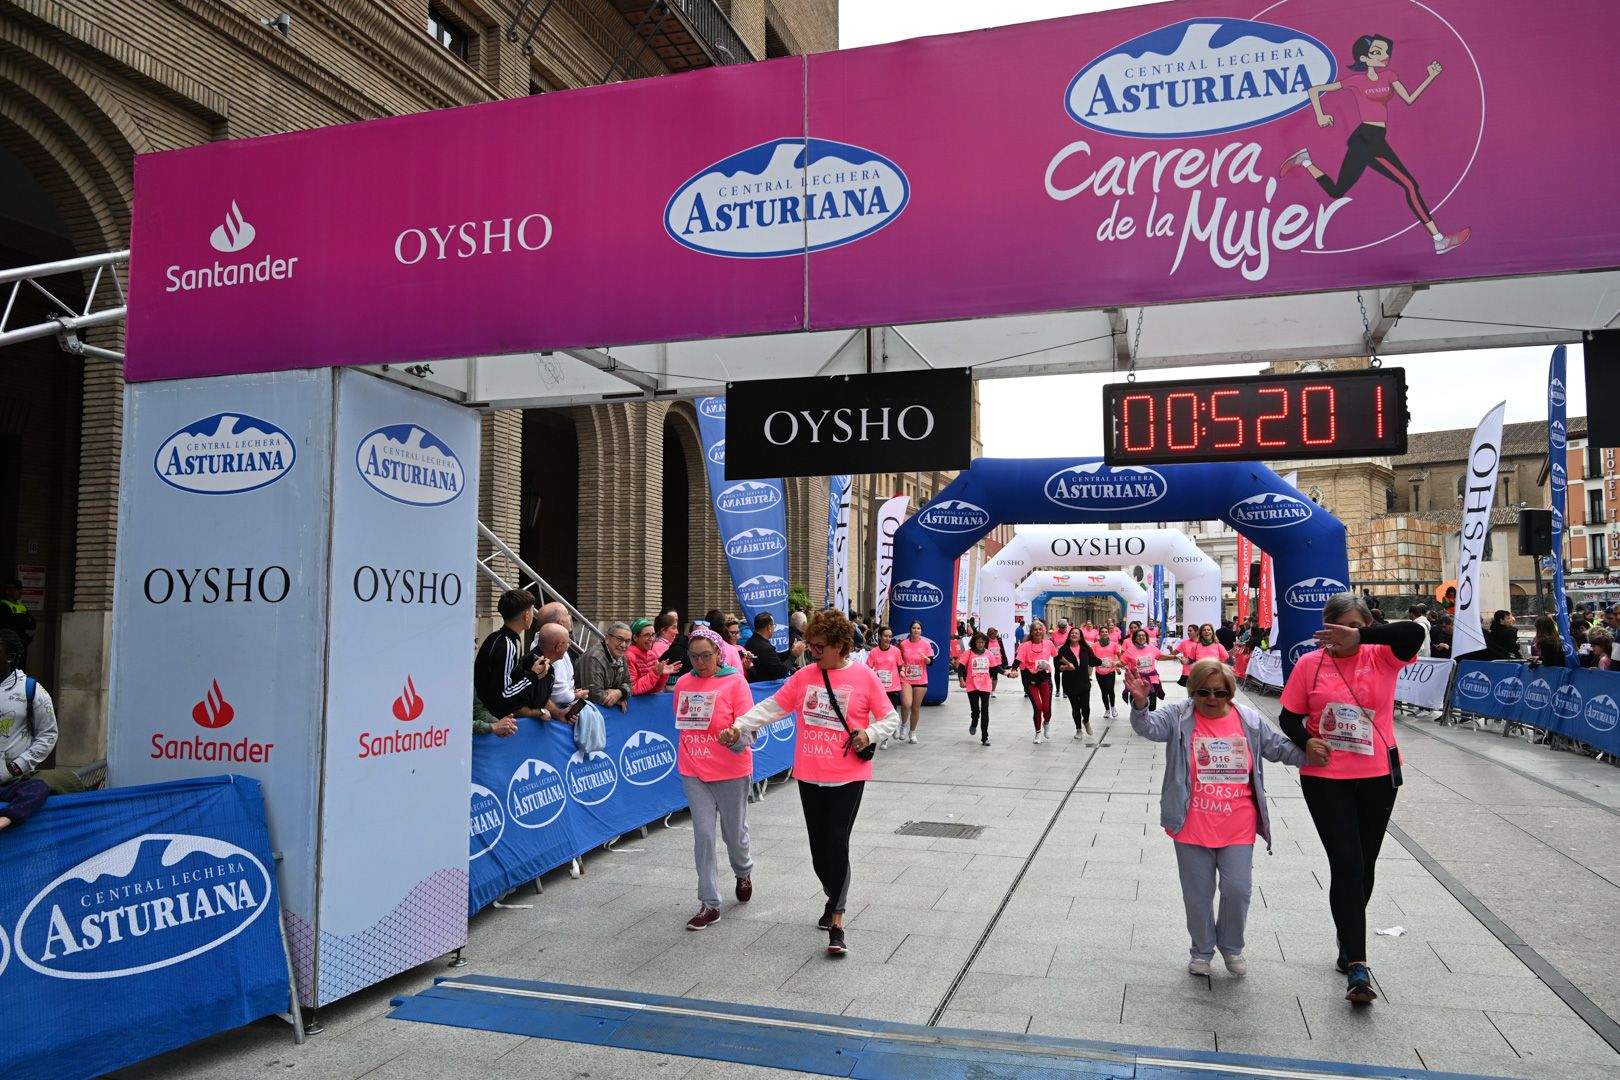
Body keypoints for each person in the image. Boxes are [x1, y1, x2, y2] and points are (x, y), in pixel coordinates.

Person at [718, 610, 900, 956]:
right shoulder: (805, 677)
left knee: (837, 843)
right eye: (812, 645)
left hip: (847, 775)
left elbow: (889, 717)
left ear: (840, 646)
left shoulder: (863, 676)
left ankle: (838, 922)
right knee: (819, 852)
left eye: (820, 647)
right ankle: (833, 896)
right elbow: (773, 706)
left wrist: (869, 733)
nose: (813, 651)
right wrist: (740, 725)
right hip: (810, 773)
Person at [1276, 593, 1424, 1005]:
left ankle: (1347, 937)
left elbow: (1414, 632)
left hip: (1377, 775)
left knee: (1366, 864)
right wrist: (1307, 740)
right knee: (1347, 864)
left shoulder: (1382, 656)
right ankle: (1358, 964)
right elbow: (1288, 716)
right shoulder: (1310, 665)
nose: (1349, 636)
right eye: (1341, 628)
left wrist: (1364, 638)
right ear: (1326, 629)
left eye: (1357, 628)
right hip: (1327, 778)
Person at [1125, 658, 1316, 978]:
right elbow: (1148, 727)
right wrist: (1142, 702)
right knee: (1198, 895)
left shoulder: (1248, 719)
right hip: (1191, 822)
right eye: (1203, 692)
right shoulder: (1179, 715)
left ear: (1230, 692)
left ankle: (1232, 946)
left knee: (1237, 890)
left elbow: (1279, 748)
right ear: (1191, 692)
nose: (1212, 699)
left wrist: (1314, 754)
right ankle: (1201, 950)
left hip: (1237, 823)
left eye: (1220, 693)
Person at [1280, 34, 1470, 255]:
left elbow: (1409, 99)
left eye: (1386, 52)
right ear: (1364, 57)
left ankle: (1305, 161)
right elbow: (1314, 90)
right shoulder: (1355, 81)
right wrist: (1320, 115)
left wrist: (1430, 76)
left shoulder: (1389, 76)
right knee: (1409, 185)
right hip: (1367, 139)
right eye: (1377, 53)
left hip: (1373, 138)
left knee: (1336, 191)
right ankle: (1439, 240)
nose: (1385, 56)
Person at [673, 627, 757, 931]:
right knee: (704, 835)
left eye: (706, 655)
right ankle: (709, 903)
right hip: (693, 768)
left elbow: (750, 729)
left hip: (731, 768)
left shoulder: (735, 682)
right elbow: (682, 723)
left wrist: (732, 737)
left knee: (734, 834)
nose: (699, 661)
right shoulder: (683, 683)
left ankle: (743, 870)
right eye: (693, 656)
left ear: (719, 653)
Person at [0, 629, 55, 830]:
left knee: (38, 788)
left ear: (10, 657)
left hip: (11, 781)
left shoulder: (30, 689)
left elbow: (48, 735)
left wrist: (17, 766)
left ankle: (5, 820)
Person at [474, 589, 551, 719]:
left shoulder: (497, 637)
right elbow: (503, 694)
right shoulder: (507, 645)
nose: (533, 615)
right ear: (526, 615)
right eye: (532, 610)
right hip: (489, 714)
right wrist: (533, 675)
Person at [1017, 620, 1057, 743]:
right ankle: (1038, 733)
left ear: (1044, 631)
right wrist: (1013, 670)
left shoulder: (1049, 643)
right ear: (1032, 632)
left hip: (1045, 678)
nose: (1038, 631)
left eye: (1040, 629)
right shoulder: (1025, 646)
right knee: (1038, 707)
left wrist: (1066, 665)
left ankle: (1047, 722)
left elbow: (1057, 656)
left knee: (1047, 709)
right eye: (1035, 629)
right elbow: (1018, 660)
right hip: (1031, 679)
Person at [1055, 626, 1098, 742]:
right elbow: (1057, 666)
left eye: (1076, 633)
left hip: (1084, 682)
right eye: (1072, 633)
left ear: (1080, 637)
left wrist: (1105, 662)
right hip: (1070, 683)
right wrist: (1065, 667)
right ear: (1069, 635)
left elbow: (1093, 660)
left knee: (1086, 707)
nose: (1074, 635)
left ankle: (1086, 721)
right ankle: (1078, 729)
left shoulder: (1085, 648)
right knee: (1075, 707)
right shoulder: (1063, 650)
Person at [582, 621, 634, 712]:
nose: (623, 645)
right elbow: (593, 693)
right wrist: (615, 699)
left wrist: (619, 692)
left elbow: (629, 684)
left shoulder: (621, 657)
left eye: (627, 641)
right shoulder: (594, 657)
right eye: (619, 639)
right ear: (607, 638)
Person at [896, 621, 934, 745]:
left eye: (918, 628)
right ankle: (903, 725)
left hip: (921, 679)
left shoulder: (926, 644)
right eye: (914, 628)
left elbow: (931, 662)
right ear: (910, 630)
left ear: (921, 631)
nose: (916, 630)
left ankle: (912, 732)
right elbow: (899, 661)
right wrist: (901, 670)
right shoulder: (903, 644)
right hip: (906, 678)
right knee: (906, 704)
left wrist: (926, 659)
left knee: (915, 708)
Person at [959, 631, 996, 746]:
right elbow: (960, 667)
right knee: (976, 710)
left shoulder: (989, 654)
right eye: (978, 642)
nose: (980, 644)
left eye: (982, 642)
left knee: (985, 711)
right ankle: (974, 722)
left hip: (985, 685)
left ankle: (985, 737)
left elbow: (995, 668)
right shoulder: (968, 653)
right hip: (972, 685)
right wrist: (961, 679)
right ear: (974, 642)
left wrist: (1006, 673)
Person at [745, 612, 805, 682]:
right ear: (769, 628)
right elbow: (780, 672)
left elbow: (773, 659)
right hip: (766, 688)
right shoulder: (766, 648)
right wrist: (793, 656)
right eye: (774, 625)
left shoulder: (750, 641)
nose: (774, 628)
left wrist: (791, 651)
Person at [627, 618, 681, 695]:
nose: (651, 639)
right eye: (647, 635)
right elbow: (632, 689)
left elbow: (655, 689)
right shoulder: (629, 656)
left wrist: (662, 674)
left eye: (653, 635)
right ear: (635, 637)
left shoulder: (651, 655)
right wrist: (655, 673)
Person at [1122, 627, 1169, 710]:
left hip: (1151, 679)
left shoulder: (1152, 648)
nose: (1141, 637)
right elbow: (1122, 662)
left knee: (1152, 704)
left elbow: (1160, 656)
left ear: (1146, 638)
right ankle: (1138, 719)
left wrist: (1174, 657)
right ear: (1135, 638)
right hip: (1137, 680)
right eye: (1139, 636)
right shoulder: (1130, 650)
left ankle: (1150, 720)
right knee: (1136, 703)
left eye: (1143, 635)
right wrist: (1115, 664)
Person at [0, 580, 34, 670]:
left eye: (21, 589)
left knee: (20, 670)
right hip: (8, 647)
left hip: (21, 646)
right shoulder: (3, 606)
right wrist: (22, 621)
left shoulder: (22, 607)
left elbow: (32, 625)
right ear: (8, 591)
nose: (20, 592)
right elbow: (8, 625)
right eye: (17, 589)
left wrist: (25, 641)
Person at [1093, 626, 1121, 718]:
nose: (1104, 633)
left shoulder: (1114, 644)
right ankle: (1107, 710)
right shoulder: (1095, 645)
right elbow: (1092, 657)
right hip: (1099, 671)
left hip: (1110, 671)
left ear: (1108, 634)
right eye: (1102, 632)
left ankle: (1113, 707)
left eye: (1106, 632)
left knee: (1110, 689)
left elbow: (1118, 656)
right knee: (1104, 691)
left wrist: (1117, 665)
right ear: (1099, 634)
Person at [987, 628, 1011, 694]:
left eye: (995, 633)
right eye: (992, 633)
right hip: (988, 662)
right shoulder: (986, 641)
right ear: (989, 634)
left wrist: (1005, 660)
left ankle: (993, 691)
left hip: (997, 661)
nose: (994, 635)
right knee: (988, 676)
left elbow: (1002, 650)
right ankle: (987, 689)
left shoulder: (999, 640)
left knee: (995, 676)